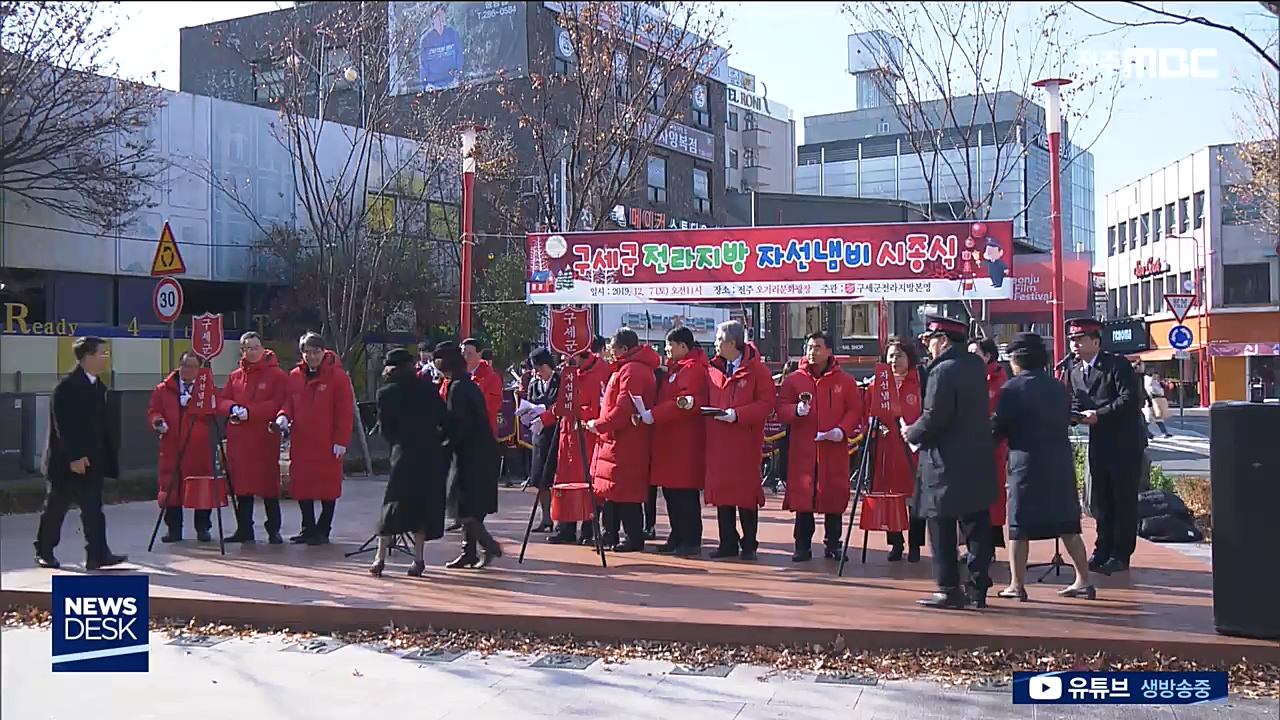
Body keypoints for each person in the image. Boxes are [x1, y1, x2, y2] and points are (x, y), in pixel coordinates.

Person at [992, 332, 1097, 602]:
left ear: (1016, 360)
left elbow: (1000, 427)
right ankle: (1083, 580)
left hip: (1025, 464)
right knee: (1067, 525)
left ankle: (1016, 584)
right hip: (1059, 462)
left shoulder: (1011, 389)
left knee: (1018, 525)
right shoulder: (1058, 387)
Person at [904, 316, 998, 609]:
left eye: (929, 340)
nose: (926, 347)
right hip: (977, 457)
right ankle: (978, 585)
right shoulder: (974, 365)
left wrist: (912, 432)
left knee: (941, 525)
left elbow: (935, 416)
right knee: (976, 523)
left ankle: (948, 588)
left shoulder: (942, 370)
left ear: (943, 341)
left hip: (944, 460)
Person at [34, 336, 127, 570]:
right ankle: (44, 551)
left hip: (93, 460)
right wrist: (75, 456)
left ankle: (97, 554)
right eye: (102, 353)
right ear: (87, 357)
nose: (106, 357)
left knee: (93, 510)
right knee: (56, 508)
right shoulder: (66, 387)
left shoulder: (98, 387)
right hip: (67, 462)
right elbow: (63, 426)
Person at [1066, 317, 1146, 576]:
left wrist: (1099, 414)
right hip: (1098, 441)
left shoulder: (1116, 365)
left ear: (1096, 341)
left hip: (1123, 442)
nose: (1075, 345)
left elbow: (1129, 399)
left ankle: (1121, 553)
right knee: (1101, 500)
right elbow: (1075, 401)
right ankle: (1102, 548)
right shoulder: (1074, 371)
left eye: (1080, 339)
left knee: (1122, 499)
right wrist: (1070, 415)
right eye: (1072, 340)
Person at [777, 331, 863, 562]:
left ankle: (833, 544)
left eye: (817, 347)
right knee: (804, 497)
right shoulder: (794, 379)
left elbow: (855, 409)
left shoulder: (844, 381)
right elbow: (781, 408)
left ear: (829, 351)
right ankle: (802, 545)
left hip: (832, 447)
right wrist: (795, 411)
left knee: (833, 496)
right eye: (809, 347)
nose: (811, 352)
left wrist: (841, 430)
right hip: (803, 448)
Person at [370, 348, 450, 577]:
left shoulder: (385, 393)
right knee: (422, 507)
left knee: (392, 504)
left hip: (404, 454)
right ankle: (418, 559)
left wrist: (400, 444)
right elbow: (444, 418)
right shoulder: (427, 389)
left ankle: (380, 558)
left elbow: (386, 429)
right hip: (430, 453)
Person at [704, 320, 776, 561]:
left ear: (731, 342)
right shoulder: (712, 369)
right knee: (723, 495)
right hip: (718, 441)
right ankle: (727, 542)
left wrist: (737, 415)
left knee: (746, 495)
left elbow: (766, 404)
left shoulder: (758, 371)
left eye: (718, 339)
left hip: (745, 440)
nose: (715, 344)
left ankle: (749, 544)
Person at [274, 332, 355, 546]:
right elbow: (289, 402)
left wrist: (341, 440)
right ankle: (307, 527)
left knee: (327, 486)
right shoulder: (295, 376)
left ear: (323, 351)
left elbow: (344, 412)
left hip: (327, 442)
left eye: (315, 352)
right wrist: (283, 416)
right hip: (302, 441)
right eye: (306, 352)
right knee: (302, 485)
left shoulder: (338, 377)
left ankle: (323, 528)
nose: (311, 356)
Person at [638, 326, 710, 558]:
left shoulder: (693, 370)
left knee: (685, 493)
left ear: (683, 346)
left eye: (670, 345)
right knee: (670, 492)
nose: (667, 349)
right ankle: (677, 535)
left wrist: (655, 414)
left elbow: (683, 403)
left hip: (685, 441)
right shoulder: (673, 370)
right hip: (668, 440)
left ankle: (691, 539)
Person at [587, 329, 660, 552]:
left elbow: (622, 410)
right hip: (617, 440)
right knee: (613, 493)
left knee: (626, 493)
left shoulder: (632, 371)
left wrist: (598, 425)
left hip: (626, 440)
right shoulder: (627, 369)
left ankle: (632, 536)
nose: (610, 352)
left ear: (624, 349)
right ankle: (611, 534)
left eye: (613, 348)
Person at [436, 343, 503, 568]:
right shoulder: (464, 384)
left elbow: (458, 425)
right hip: (478, 452)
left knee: (462, 506)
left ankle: (489, 545)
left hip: (472, 455)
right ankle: (470, 552)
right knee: (471, 507)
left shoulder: (458, 388)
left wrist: (442, 444)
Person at [542, 337, 612, 545]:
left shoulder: (600, 372)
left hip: (587, 435)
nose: (563, 360)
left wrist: (576, 412)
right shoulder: (568, 374)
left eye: (566, 356)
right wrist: (546, 417)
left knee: (588, 484)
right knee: (564, 481)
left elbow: (600, 408)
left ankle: (589, 529)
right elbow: (563, 402)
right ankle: (565, 528)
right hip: (567, 435)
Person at [222, 332, 289, 544]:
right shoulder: (235, 376)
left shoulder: (276, 375)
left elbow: (278, 402)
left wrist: (250, 412)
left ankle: (273, 530)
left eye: (256, 347)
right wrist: (232, 408)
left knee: (268, 486)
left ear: (263, 348)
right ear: (242, 351)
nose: (253, 351)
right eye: (248, 348)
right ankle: (244, 529)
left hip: (264, 439)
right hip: (240, 440)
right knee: (242, 487)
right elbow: (223, 400)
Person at [147, 351, 216, 543]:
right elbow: (154, 410)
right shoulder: (163, 389)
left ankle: (203, 528)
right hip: (171, 445)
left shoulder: (204, 389)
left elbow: (215, 409)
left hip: (198, 447)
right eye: (185, 365)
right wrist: (158, 422)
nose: (188, 370)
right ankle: (174, 530)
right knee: (171, 489)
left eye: (193, 366)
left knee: (200, 488)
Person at [870, 337, 928, 562]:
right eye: (891, 356)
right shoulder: (879, 384)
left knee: (915, 499)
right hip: (887, 449)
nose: (894, 360)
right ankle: (895, 543)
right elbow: (869, 412)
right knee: (891, 498)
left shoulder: (921, 381)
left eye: (899, 355)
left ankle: (915, 545)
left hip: (914, 449)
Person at [967, 337, 1009, 564]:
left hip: (992, 446)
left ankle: (988, 547)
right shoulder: (971, 377)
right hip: (971, 445)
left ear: (988, 356)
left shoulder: (998, 380)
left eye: (975, 353)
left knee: (990, 498)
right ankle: (977, 546)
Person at [524, 349, 560, 532]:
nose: (538, 372)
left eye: (540, 368)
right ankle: (546, 517)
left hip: (557, 433)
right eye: (535, 369)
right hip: (539, 434)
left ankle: (559, 517)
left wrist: (545, 409)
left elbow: (559, 404)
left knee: (557, 478)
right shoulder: (533, 383)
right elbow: (530, 402)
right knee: (540, 479)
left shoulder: (559, 380)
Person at [462, 338, 504, 437]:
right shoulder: (455, 374)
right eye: (463, 353)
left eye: (469, 354)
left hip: (481, 434)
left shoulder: (492, 378)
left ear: (479, 354)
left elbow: (493, 405)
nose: (465, 357)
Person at [418, 3, 462, 91]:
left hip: (452, 83)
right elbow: (423, 65)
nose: (440, 19)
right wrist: (424, 86)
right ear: (432, 19)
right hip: (433, 87)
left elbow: (459, 56)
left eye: (442, 15)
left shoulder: (452, 34)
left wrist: (459, 77)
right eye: (437, 16)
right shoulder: (425, 40)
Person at [1142, 368, 1173, 439]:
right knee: (1149, 418)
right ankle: (1147, 433)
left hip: (1156, 400)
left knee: (1158, 417)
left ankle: (1164, 432)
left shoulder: (1155, 381)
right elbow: (1150, 390)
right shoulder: (1147, 380)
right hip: (1150, 400)